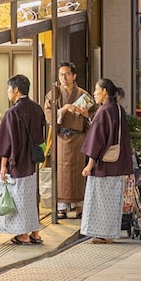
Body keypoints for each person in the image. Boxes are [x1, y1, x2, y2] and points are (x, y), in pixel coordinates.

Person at [0, 74, 47, 246]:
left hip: (16, 163)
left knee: (18, 199)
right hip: (31, 162)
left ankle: (23, 235)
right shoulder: (36, 108)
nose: (7, 92)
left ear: (15, 89)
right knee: (30, 198)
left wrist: (3, 167)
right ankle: (35, 232)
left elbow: (6, 142)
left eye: (8, 88)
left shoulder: (12, 112)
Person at [80, 78, 134, 244]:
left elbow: (96, 140)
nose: (94, 93)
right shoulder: (117, 109)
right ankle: (109, 233)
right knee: (111, 201)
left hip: (104, 164)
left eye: (96, 90)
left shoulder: (103, 111)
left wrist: (89, 165)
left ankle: (103, 234)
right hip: (118, 163)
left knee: (100, 200)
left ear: (104, 91)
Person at [43, 62, 93, 219]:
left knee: (79, 171)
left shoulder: (83, 94)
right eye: (61, 75)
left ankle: (79, 205)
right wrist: (64, 109)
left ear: (74, 76)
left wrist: (85, 114)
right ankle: (62, 207)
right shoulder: (54, 94)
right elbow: (49, 116)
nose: (63, 78)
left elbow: (93, 116)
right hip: (61, 138)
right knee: (62, 172)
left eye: (67, 74)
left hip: (78, 137)